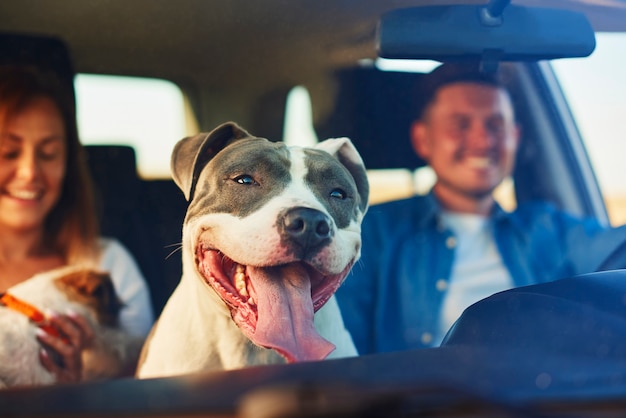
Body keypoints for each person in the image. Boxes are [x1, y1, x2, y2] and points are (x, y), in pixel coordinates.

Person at [336, 62, 626, 355]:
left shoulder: (549, 229)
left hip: (545, 397)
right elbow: (341, 352)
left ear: (516, 136)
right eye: (461, 124)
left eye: (495, 124)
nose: (483, 140)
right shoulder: (371, 233)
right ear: (423, 139)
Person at [0, 66, 154, 383]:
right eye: (8, 152)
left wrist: (82, 386)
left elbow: (146, 383)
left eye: (49, 153)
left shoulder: (107, 265)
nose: (30, 172)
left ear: (68, 165)